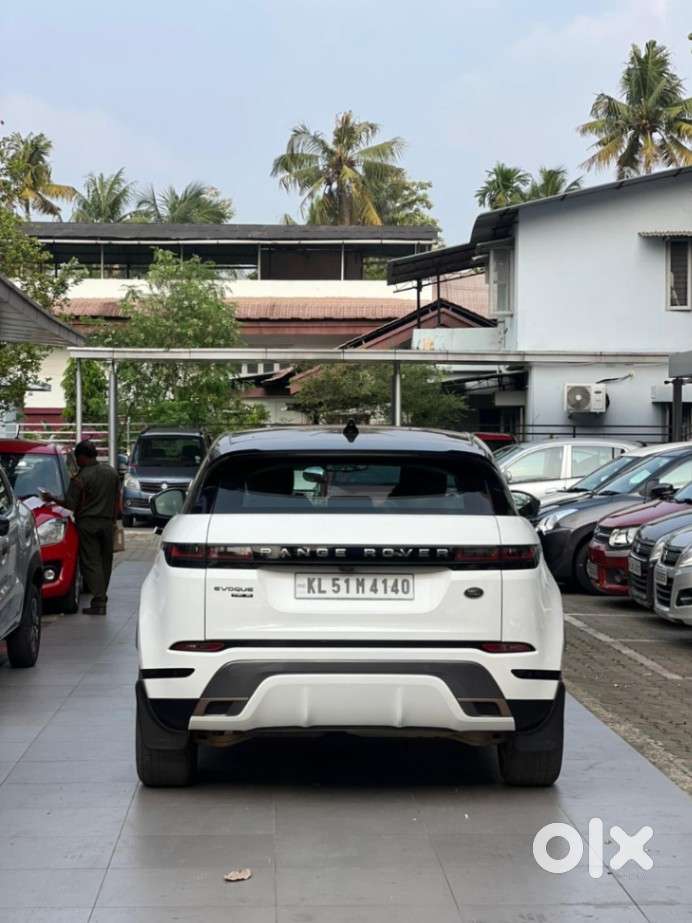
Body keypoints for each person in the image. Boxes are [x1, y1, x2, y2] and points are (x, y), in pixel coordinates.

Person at [56, 441, 120, 615]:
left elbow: (70, 505)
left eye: (78, 458)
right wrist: (114, 521)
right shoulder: (112, 472)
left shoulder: (80, 478)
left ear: (83, 457)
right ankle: (102, 597)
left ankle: (99, 601)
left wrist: (52, 499)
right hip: (107, 523)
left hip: (87, 524)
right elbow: (117, 501)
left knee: (91, 562)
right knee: (106, 561)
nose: (77, 461)